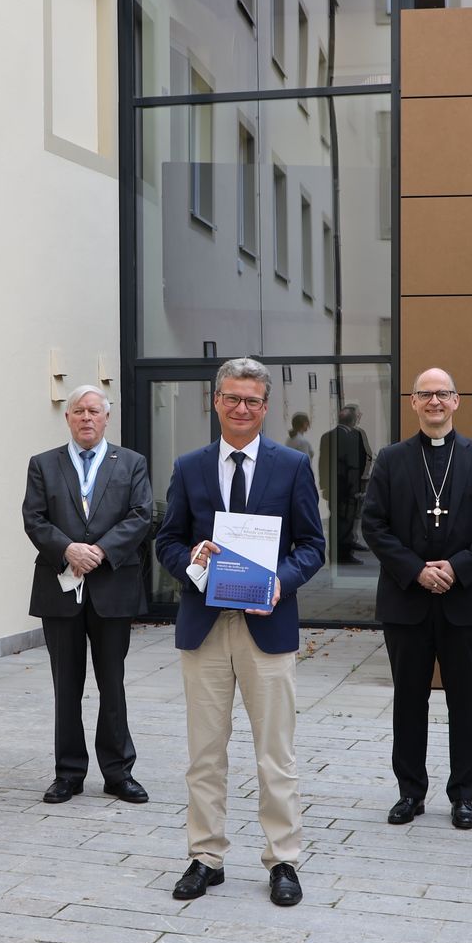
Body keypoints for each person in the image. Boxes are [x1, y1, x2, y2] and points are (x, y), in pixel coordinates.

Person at [154, 357, 326, 906]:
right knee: (205, 752)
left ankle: (283, 860)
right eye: (232, 398)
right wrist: (194, 562)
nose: (242, 408)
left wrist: (281, 581)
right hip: (205, 627)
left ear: (266, 406)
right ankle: (205, 856)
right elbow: (168, 542)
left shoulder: (292, 466)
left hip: (267, 626)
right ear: (216, 401)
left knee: (276, 753)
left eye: (252, 400)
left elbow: (312, 547)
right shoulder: (190, 466)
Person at [362, 369, 472, 829]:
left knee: (464, 702)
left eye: (443, 393)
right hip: (406, 600)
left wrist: (458, 567)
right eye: (425, 394)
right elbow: (374, 526)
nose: (434, 401)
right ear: (412, 403)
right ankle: (410, 792)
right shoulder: (390, 459)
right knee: (409, 701)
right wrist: (416, 570)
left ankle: (463, 795)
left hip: (464, 600)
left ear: (456, 401)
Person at [22, 385, 154, 804]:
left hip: (113, 587)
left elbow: (140, 514)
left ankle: (118, 772)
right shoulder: (43, 464)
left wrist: (100, 551)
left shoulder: (131, 462)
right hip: (59, 589)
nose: (86, 418)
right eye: (78, 411)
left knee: (111, 682)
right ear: (67, 418)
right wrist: (68, 549)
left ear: (106, 417)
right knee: (67, 685)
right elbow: (34, 517)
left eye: (94, 411)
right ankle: (68, 773)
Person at [319, 403, 372, 564]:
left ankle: (340, 549)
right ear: (354, 419)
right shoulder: (352, 436)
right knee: (346, 519)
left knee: (338, 518)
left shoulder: (327, 435)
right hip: (348, 486)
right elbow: (354, 464)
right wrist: (356, 486)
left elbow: (323, 463)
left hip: (333, 485)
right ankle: (342, 553)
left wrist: (324, 485)